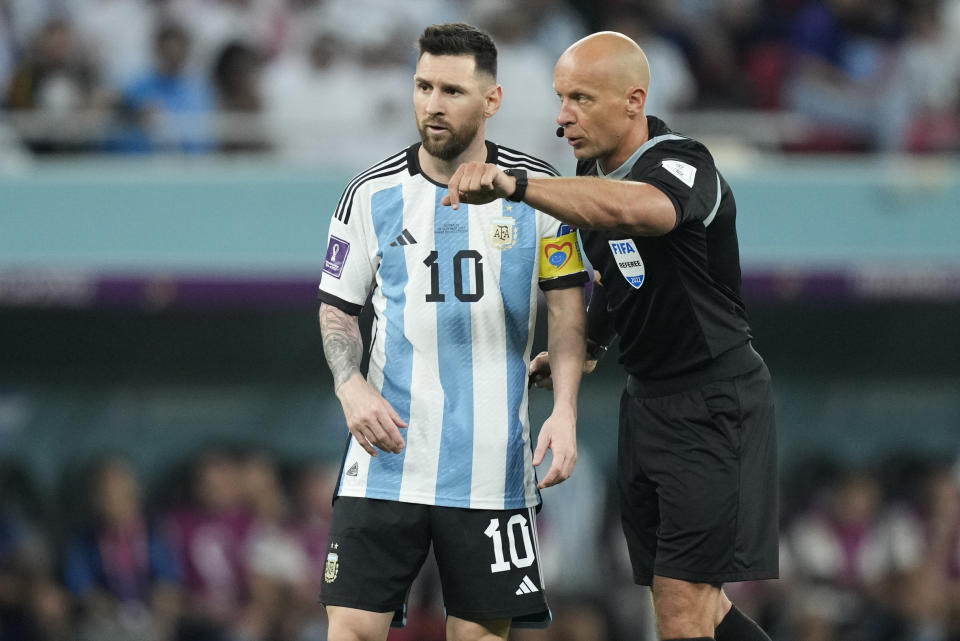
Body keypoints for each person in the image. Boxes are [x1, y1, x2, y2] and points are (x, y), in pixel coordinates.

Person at [444, 31, 778, 641]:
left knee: (682, 611)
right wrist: (591, 344)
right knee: (695, 609)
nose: (562, 117)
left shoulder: (683, 161)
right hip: (647, 403)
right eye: (560, 98)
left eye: (580, 98)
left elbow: (640, 211)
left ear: (633, 101)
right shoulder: (589, 173)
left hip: (714, 401)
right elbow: (620, 271)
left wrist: (516, 185)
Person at [316, 22, 587, 641]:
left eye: (452, 91)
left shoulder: (537, 193)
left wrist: (566, 409)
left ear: (492, 101)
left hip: (492, 466)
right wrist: (349, 385)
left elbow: (569, 312)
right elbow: (337, 307)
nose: (433, 105)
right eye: (423, 86)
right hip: (384, 459)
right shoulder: (370, 193)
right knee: (351, 629)